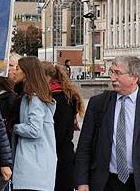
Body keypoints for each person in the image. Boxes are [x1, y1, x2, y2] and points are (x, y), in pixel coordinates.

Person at [75, 55, 140, 191]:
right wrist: (82, 182)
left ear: (134, 77)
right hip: (105, 182)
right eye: (112, 72)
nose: (112, 78)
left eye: (118, 73)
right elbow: (84, 146)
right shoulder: (98, 103)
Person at [11, 56, 56, 191]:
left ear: (26, 72)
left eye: (17, 68)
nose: (14, 71)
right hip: (39, 167)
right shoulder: (35, 97)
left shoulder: (34, 99)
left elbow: (34, 130)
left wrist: (14, 127)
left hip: (32, 167)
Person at [42, 62, 84, 191]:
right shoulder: (60, 94)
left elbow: (58, 133)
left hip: (60, 160)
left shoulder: (59, 98)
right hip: (60, 157)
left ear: (45, 77)